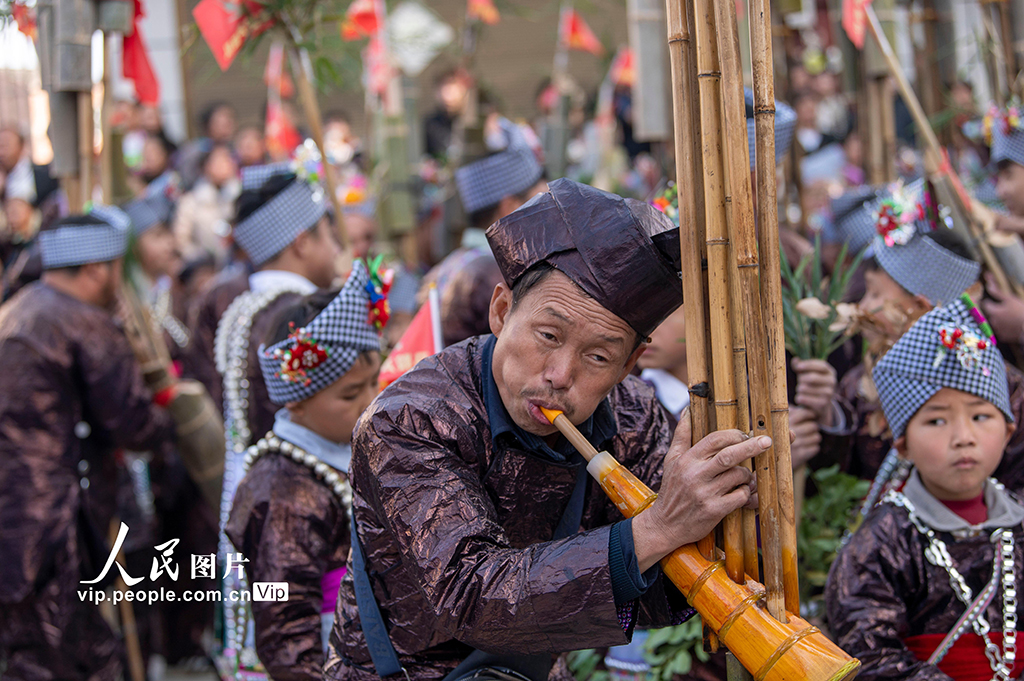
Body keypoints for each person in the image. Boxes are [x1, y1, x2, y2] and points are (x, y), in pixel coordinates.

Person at [324, 179, 765, 681]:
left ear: (629, 364)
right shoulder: (409, 419)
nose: (559, 375)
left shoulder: (633, 415)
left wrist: (718, 525)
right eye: (548, 335)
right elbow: (471, 596)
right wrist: (658, 528)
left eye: (598, 357)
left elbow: (648, 594)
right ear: (501, 311)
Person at [0, 206, 175, 681]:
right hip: (53, 525)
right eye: (116, 268)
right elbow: (133, 424)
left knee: (34, 650)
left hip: (16, 521)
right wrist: (170, 414)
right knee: (68, 657)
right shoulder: (84, 323)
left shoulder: (16, 309)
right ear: (98, 269)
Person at [825, 298, 1024, 680]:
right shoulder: (881, 542)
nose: (963, 437)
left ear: (1008, 430)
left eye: (981, 416)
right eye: (936, 421)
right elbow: (870, 654)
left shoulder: (1019, 524)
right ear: (901, 443)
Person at [811, 182, 1024, 495]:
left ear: (920, 307)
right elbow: (845, 476)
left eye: (876, 294)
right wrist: (827, 414)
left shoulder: (1001, 386)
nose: (863, 306)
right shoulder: (863, 382)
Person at [226, 264, 384, 681]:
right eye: (351, 394)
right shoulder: (281, 493)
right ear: (296, 400)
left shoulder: (345, 450)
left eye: (375, 382)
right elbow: (286, 632)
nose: (371, 400)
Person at [419, 118, 548, 346]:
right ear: (510, 208)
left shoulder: (448, 265)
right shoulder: (496, 274)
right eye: (540, 203)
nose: (548, 215)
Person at [173, 142, 240, 265]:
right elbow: (182, 240)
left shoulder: (242, 195)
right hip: (205, 266)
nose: (223, 165)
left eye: (226, 159)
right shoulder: (191, 201)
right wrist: (200, 262)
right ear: (206, 166)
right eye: (217, 161)